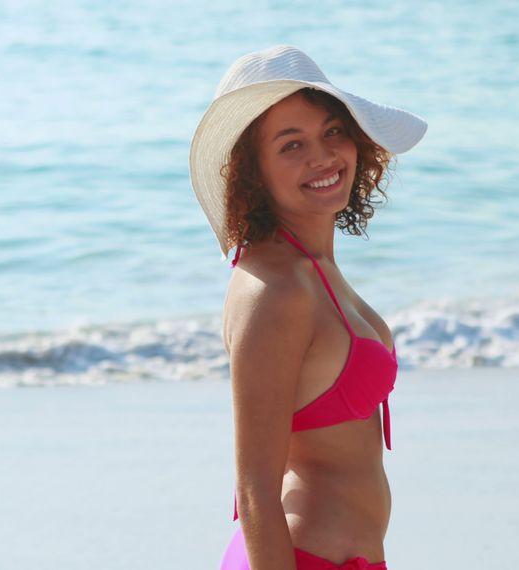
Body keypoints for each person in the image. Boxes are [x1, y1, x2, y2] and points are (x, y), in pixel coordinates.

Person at [188, 45, 428, 570]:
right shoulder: (274, 290)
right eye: (291, 144)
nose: (322, 156)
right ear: (253, 170)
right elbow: (254, 492)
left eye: (332, 132)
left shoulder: (309, 265)